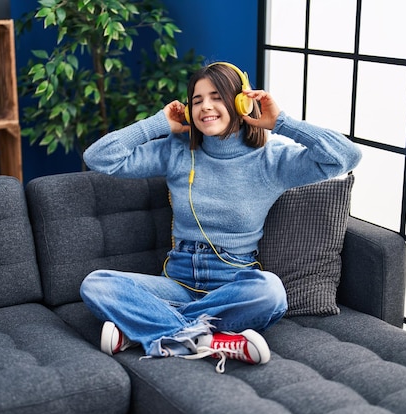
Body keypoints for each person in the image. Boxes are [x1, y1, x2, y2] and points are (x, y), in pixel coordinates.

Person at [80, 62, 362, 373]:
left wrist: (281, 122)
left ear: (240, 102)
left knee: (270, 292)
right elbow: (98, 158)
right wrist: (158, 124)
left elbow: (345, 156)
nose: (205, 107)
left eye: (216, 97)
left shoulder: (272, 160)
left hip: (234, 283)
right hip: (177, 281)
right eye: (197, 100)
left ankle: (152, 331)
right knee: (97, 285)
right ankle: (208, 339)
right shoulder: (177, 151)